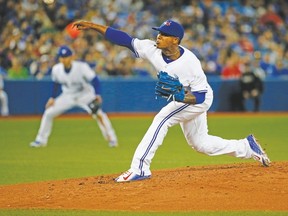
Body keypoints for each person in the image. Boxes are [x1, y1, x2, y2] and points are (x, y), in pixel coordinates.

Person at [73, 19, 271, 182]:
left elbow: (200, 96)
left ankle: (140, 168)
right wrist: (93, 26)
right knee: (200, 144)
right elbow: (124, 39)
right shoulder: (151, 48)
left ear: (175, 40)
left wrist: (179, 97)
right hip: (186, 97)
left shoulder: (190, 63)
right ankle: (246, 146)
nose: (158, 36)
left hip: (198, 99)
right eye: (158, 32)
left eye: (164, 34)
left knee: (163, 118)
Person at [30, 45, 118, 148]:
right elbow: (56, 84)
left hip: (85, 94)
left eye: (66, 57)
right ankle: (40, 140)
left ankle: (112, 139)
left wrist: (97, 94)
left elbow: (95, 80)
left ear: (71, 57)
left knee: (99, 114)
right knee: (48, 113)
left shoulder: (81, 67)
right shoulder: (56, 69)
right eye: (61, 57)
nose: (64, 59)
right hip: (68, 95)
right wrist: (52, 98)